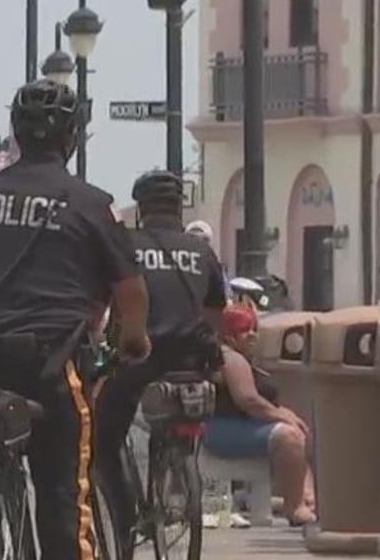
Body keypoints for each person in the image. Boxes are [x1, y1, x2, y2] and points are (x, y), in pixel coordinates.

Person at [0, 79, 151, 560]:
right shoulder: (90, 203)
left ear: (14, 131)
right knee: (63, 495)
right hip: (52, 363)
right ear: (72, 137)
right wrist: (134, 342)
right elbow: (129, 289)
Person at [96, 170, 227, 546]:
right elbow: (215, 311)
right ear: (179, 208)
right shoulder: (202, 252)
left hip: (140, 359)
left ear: (142, 209)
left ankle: (125, 519)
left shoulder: (129, 246)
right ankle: (177, 471)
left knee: (104, 443)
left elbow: (112, 304)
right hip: (191, 363)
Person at [208, 304, 317, 526]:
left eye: (253, 329)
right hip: (222, 429)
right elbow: (248, 400)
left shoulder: (245, 359)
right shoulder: (230, 358)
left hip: (244, 425)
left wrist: (284, 413)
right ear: (229, 335)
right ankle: (295, 507)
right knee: (289, 437)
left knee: (299, 432)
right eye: (244, 330)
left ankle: (307, 498)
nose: (252, 336)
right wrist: (281, 416)